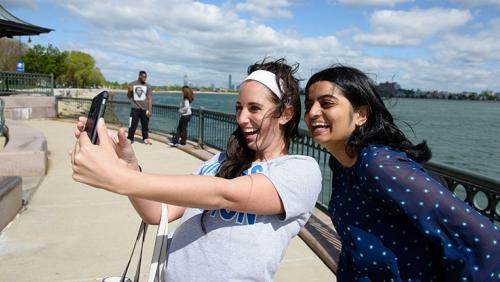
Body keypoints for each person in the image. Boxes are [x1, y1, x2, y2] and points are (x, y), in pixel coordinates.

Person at [71, 58, 322, 281]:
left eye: (254, 108)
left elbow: (226, 194)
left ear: (286, 113)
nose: (242, 118)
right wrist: (127, 164)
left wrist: (117, 177)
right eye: (238, 108)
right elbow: (157, 212)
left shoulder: (301, 171)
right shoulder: (221, 160)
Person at [303, 65, 500, 281]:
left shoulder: (378, 164)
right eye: (309, 104)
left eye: (327, 103)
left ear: (361, 115)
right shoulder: (341, 164)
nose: (312, 113)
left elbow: (485, 239)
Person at [127, 70, 153, 145]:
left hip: (144, 109)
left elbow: (150, 98)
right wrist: (129, 91)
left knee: (145, 125)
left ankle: (145, 138)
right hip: (134, 108)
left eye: (146, 77)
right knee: (132, 125)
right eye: (143, 77)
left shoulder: (147, 86)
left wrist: (150, 110)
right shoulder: (132, 84)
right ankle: (130, 138)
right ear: (139, 76)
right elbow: (129, 97)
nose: (145, 78)